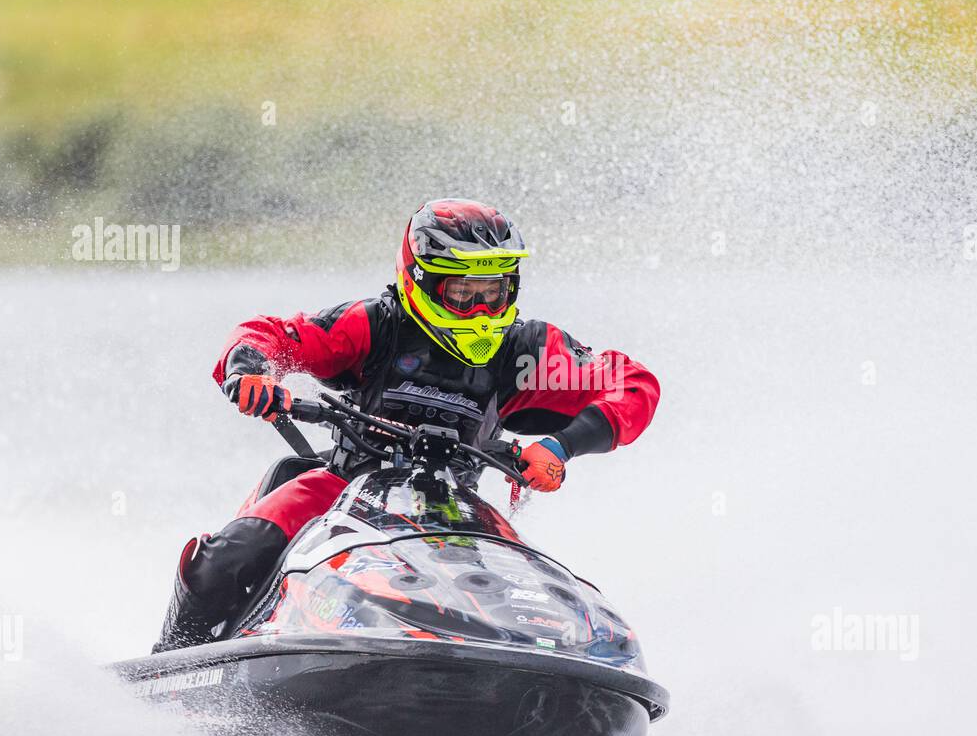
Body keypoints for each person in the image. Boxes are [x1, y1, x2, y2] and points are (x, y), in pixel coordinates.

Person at [152, 199, 660, 652]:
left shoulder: (526, 350)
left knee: (529, 592)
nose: (481, 309)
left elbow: (633, 384)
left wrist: (560, 446)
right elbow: (271, 335)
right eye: (463, 291)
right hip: (343, 487)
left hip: (459, 507)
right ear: (421, 278)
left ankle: (552, 657)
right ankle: (169, 665)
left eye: (494, 289)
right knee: (228, 558)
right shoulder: (374, 325)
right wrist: (250, 374)